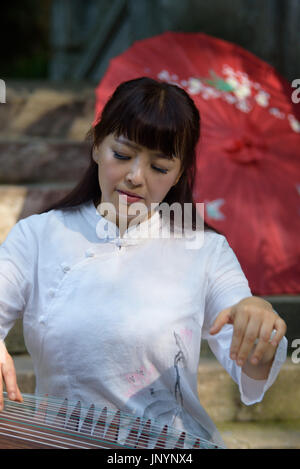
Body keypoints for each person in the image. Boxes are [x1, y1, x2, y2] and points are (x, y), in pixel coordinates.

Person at [0, 77, 287, 448]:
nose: (136, 177)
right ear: (96, 146)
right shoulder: (37, 237)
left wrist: (258, 327)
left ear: (180, 173)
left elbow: (250, 361)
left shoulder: (205, 250)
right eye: (122, 155)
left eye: (160, 166)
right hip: (60, 440)